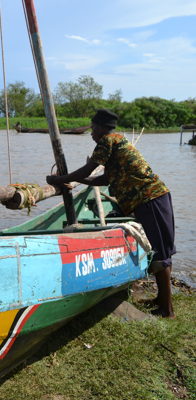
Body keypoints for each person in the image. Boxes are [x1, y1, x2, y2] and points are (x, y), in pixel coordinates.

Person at [46, 109, 176, 318]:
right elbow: (104, 180)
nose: (90, 133)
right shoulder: (117, 141)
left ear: (101, 127)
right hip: (150, 199)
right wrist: (73, 180)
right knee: (159, 251)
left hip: (150, 198)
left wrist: (59, 180)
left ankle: (167, 310)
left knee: (161, 254)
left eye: (92, 127)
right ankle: (161, 300)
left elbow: (87, 171)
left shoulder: (107, 141)